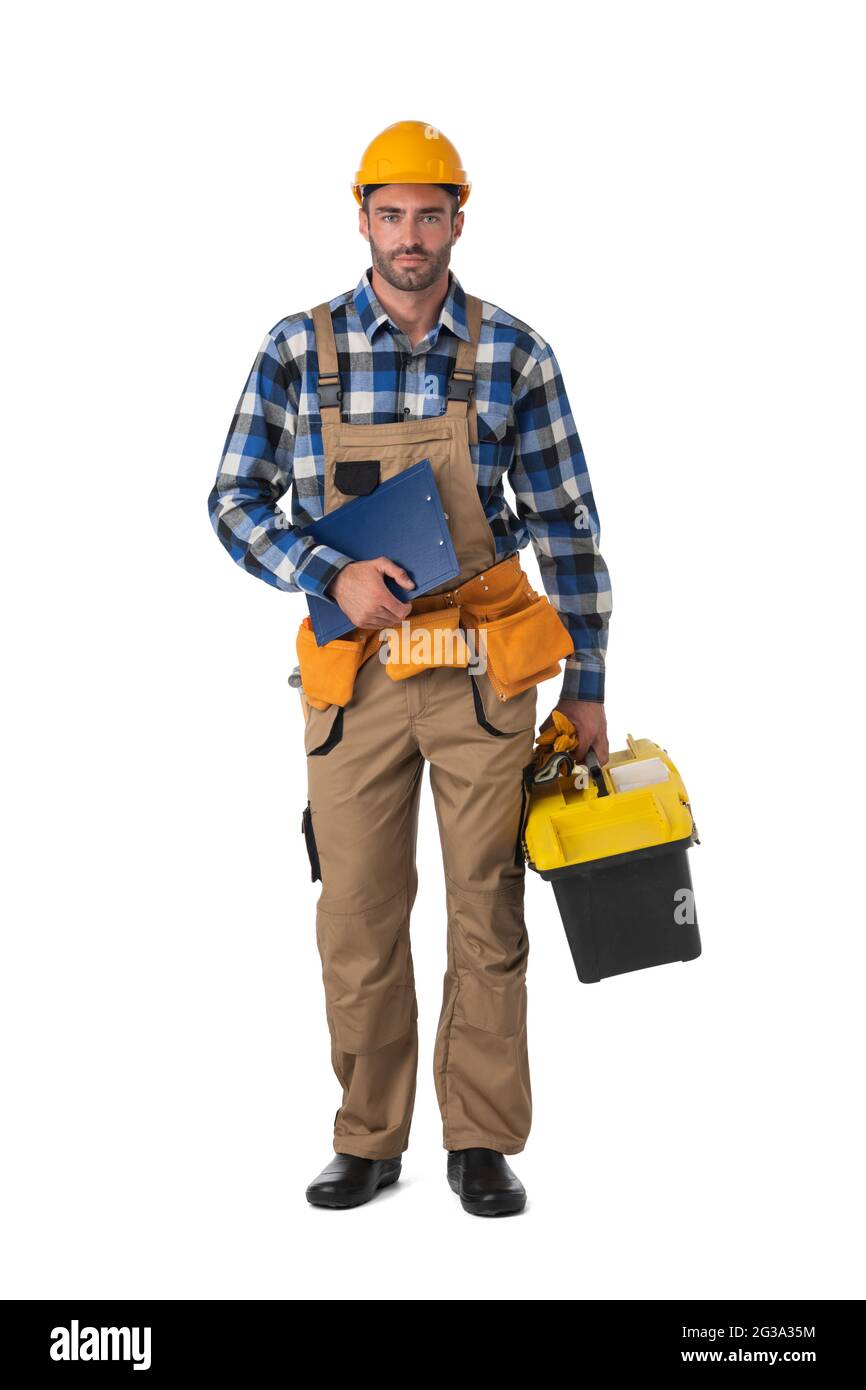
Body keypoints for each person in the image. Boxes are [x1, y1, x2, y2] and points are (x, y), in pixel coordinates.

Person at [208, 120, 612, 1216]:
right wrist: (324, 572)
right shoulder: (298, 349)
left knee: (487, 907)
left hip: (483, 673)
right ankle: (369, 1137)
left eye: (429, 214)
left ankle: (479, 1139)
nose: (409, 236)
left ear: (457, 220)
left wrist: (586, 690)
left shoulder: (513, 353)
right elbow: (233, 503)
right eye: (390, 214)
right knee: (355, 912)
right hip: (357, 683)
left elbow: (566, 525)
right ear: (362, 219)